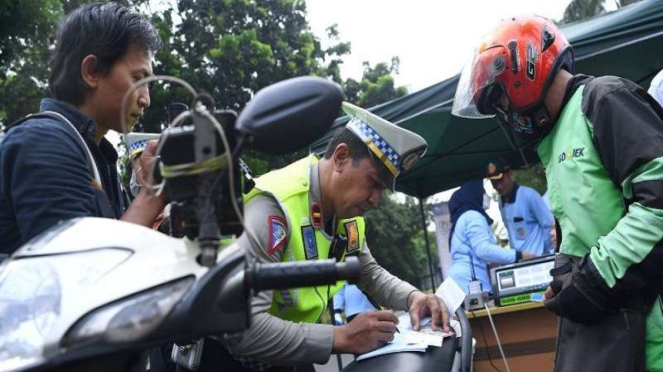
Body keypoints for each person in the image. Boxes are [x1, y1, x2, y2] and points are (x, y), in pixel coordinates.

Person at [452, 15, 663, 372]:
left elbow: (657, 201)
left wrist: (594, 276)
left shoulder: (603, 100)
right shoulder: (557, 135)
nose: (505, 113)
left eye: (500, 99)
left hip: (649, 331)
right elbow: (589, 224)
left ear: (522, 71)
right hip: (614, 326)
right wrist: (566, 276)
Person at [196, 102, 449, 372]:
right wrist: (341, 336)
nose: (376, 200)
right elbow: (241, 327)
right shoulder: (273, 206)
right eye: (373, 182)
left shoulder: (346, 215)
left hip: (289, 355)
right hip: (229, 361)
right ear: (340, 157)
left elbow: (368, 272)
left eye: (383, 190)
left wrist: (414, 297)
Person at [0, 2, 165, 254]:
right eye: (138, 79)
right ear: (91, 71)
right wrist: (153, 194)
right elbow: (77, 270)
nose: (145, 99)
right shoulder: (46, 142)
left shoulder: (99, 158)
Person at [447, 180, 533, 294]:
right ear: (475, 195)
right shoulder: (473, 216)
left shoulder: (462, 218)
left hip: (460, 282)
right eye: (483, 193)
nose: (487, 197)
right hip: (470, 283)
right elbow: (483, 249)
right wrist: (519, 255)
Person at [485, 158, 554, 255]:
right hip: (519, 261)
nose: (498, 186)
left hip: (538, 258)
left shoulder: (529, 195)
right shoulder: (501, 202)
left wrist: (546, 253)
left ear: (510, 175)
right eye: (494, 182)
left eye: (500, 180)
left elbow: (548, 225)